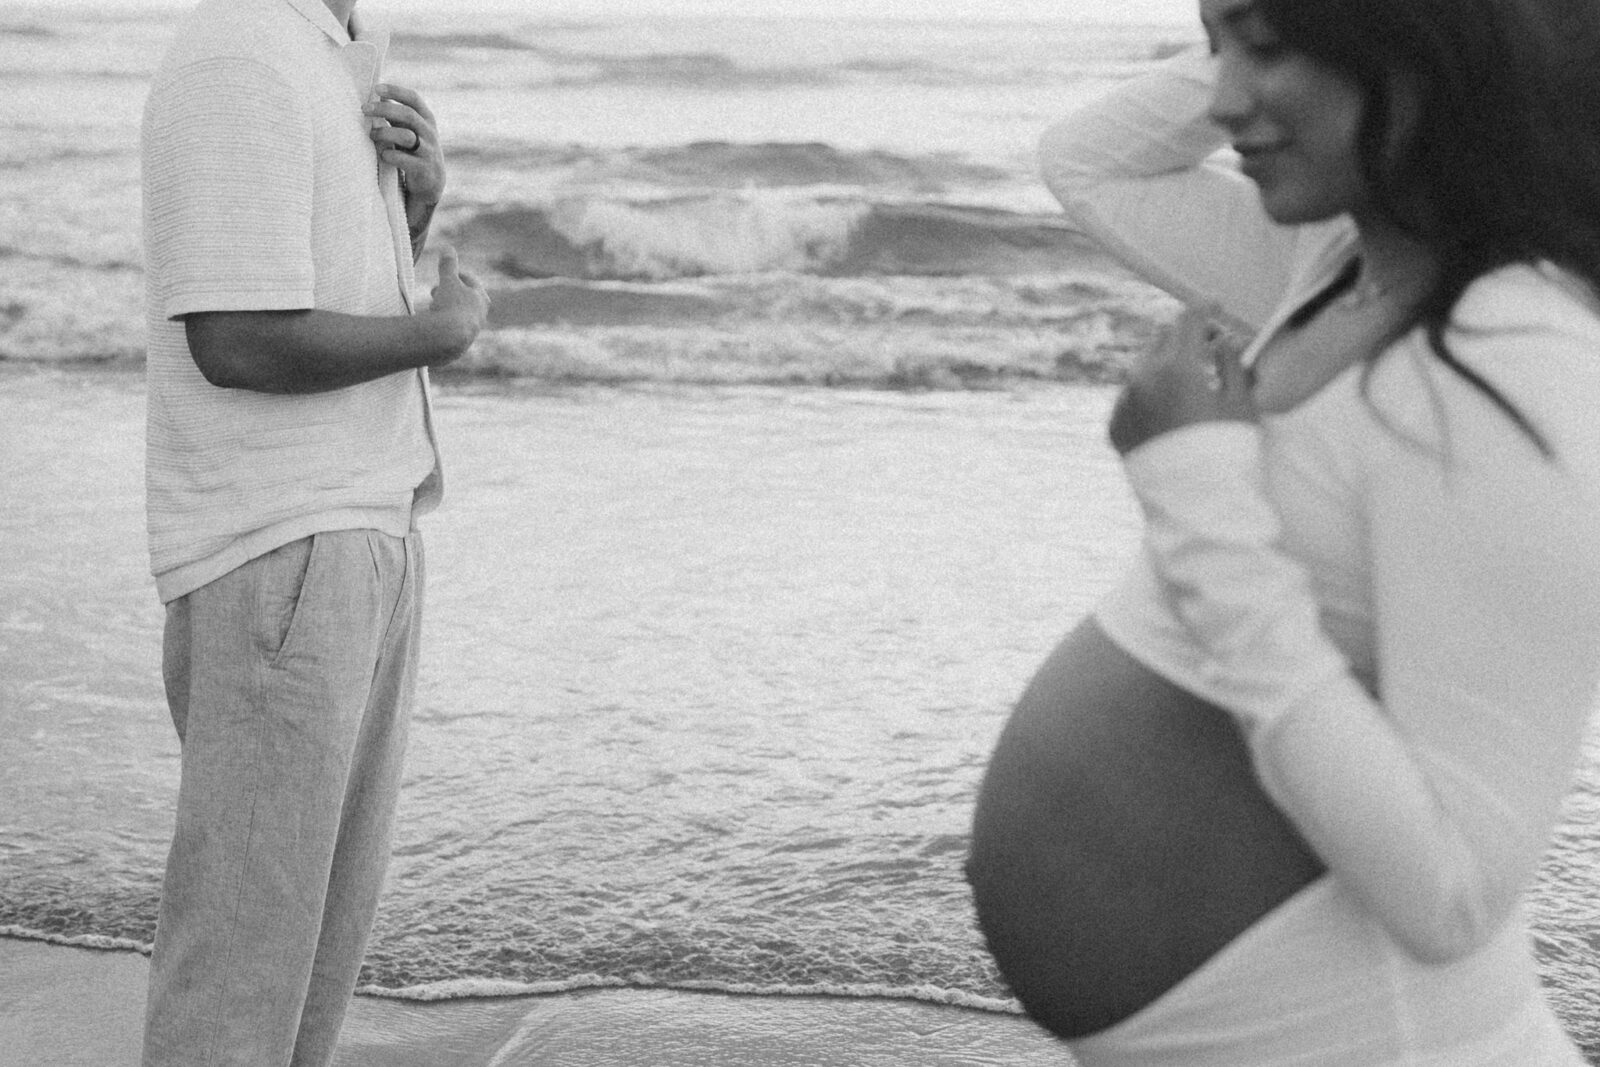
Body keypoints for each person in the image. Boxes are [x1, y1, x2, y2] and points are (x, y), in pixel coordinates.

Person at [966, 0, 1600, 1062]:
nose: (1219, 103)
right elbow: (1092, 162)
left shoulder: (1514, 353)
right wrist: (1265, 39)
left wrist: (1196, 486)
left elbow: (1450, 892)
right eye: (1214, 46)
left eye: (1268, 48)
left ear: (1425, 42)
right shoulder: (1343, 262)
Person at [138, 0, 490, 1061]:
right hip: (281, 553)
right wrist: (437, 331)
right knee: (238, 994)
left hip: (358, 531)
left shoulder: (325, 52)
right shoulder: (238, 53)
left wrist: (413, 211)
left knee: (304, 986)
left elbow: (307, 285)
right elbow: (237, 338)